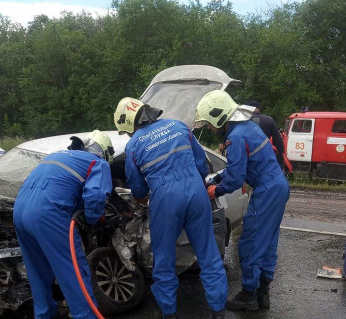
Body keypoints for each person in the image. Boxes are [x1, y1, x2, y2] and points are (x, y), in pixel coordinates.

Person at [113, 97, 227, 319]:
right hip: (195, 191)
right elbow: (201, 164)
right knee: (209, 255)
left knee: (164, 261)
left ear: (128, 124)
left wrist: (146, 197)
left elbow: (137, 189)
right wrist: (192, 181)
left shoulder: (133, 145)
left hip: (165, 197)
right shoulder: (178, 126)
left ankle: (168, 313)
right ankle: (218, 312)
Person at [195, 90, 290, 312]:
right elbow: (237, 167)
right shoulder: (246, 128)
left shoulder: (236, 137)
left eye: (209, 123)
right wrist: (217, 178)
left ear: (219, 116)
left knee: (250, 242)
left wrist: (215, 191)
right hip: (276, 186)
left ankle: (249, 295)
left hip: (267, 190)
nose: (209, 127)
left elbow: (236, 178)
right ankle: (262, 294)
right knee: (268, 242)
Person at [13, 130, 114, 319]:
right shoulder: (97, 163)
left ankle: (44, 315)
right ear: (104, 152)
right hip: (48, 214)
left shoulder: (55, 156)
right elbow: (96, 196)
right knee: (73, 271)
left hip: (19, 211)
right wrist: (93, 219)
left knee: (37, 271)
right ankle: (85, 316)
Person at [245, 100, 285, 167]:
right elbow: (278, 141)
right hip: (264, 155)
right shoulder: (269, 120)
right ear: (258, 108)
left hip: (247, 156)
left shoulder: (244, 120)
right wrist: (280, 158)